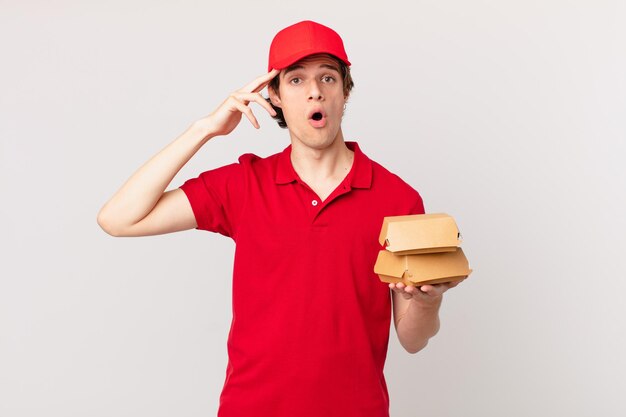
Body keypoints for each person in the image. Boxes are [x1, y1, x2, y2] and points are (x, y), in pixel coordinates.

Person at [97, 20, 463, 417]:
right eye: (295, 80)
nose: (314, 92)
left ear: (344, 92)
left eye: (327, 77)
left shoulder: (397, 198)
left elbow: (412, 340)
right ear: (273, 96)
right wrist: (204, 130)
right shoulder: (242, 185)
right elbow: (118, 219)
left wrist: (428, 302)